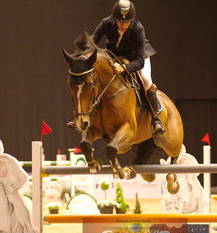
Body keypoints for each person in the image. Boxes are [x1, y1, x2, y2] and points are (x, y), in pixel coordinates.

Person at [68, 0, 165, 136]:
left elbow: (140, 61)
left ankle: (156, 118)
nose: (123, 25)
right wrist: (83, 59)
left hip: (136, 57)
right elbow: (92, 42)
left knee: (146, 79)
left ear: (132, 20)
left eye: (126, 22)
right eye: (120, 21)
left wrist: (125, 68)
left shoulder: (138, 29)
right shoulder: (106, 23)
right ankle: (80, 114)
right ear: (114, 19)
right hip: (115, 56)